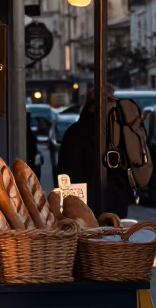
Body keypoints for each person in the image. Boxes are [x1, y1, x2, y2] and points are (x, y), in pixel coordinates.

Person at [54, 87, 131, 218]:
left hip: (82, 209)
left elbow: (64, 176)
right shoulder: (114, 133)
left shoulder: (73, 132)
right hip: (110, 207)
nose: (115, 105)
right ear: (101, 104)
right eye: (112, 101)